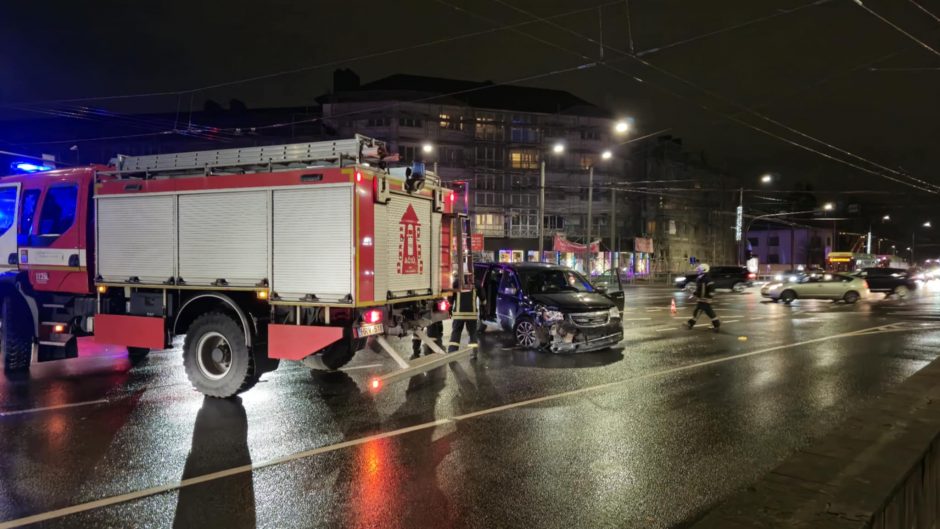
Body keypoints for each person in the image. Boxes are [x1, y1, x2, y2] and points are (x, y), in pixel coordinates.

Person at [448, 277, 479, 358]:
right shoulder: (475, 282)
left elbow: (450, 296)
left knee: (456, 332)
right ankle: (473, 353)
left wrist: (450, 306)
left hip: (459, 314)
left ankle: (452, 353)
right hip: (472, 314)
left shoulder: (456, 282)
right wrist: (484, 306)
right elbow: (483, 296)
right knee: (472, 333)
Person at [687, 263, 720, 332]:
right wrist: (694, 293)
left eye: (699, 270)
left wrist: (708, 296)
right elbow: (700, 289)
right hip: (702, 299)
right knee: (706, 312)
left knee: (701, 311)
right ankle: (716, 325)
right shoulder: (701, 278)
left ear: (704, 270)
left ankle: (691, 323)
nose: (698, 271)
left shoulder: (706, 279)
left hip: (704, 299)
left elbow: (708, 289)